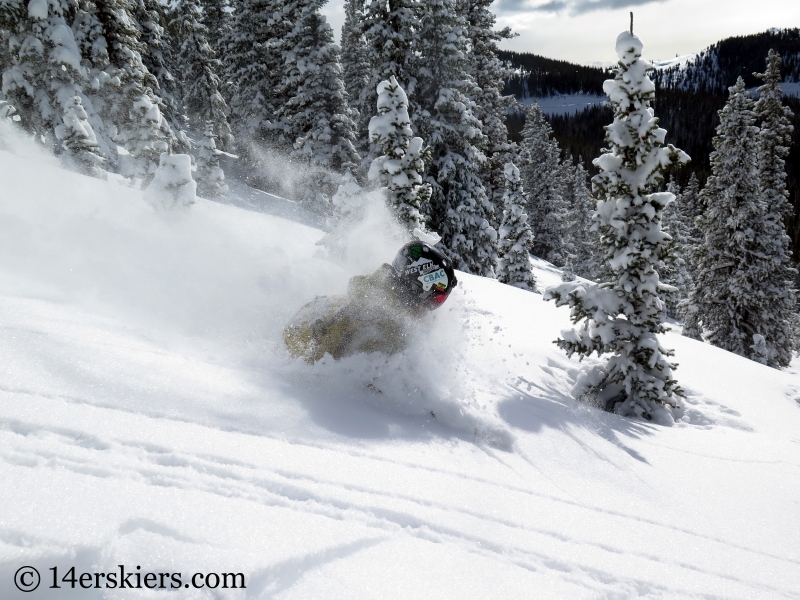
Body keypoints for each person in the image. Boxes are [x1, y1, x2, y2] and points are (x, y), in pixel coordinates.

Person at [284, 241, 458, 362]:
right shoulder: (385, 327)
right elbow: (372, 395)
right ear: (417, 287)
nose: (431, 308)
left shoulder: (376, 294)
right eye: (436, 298)